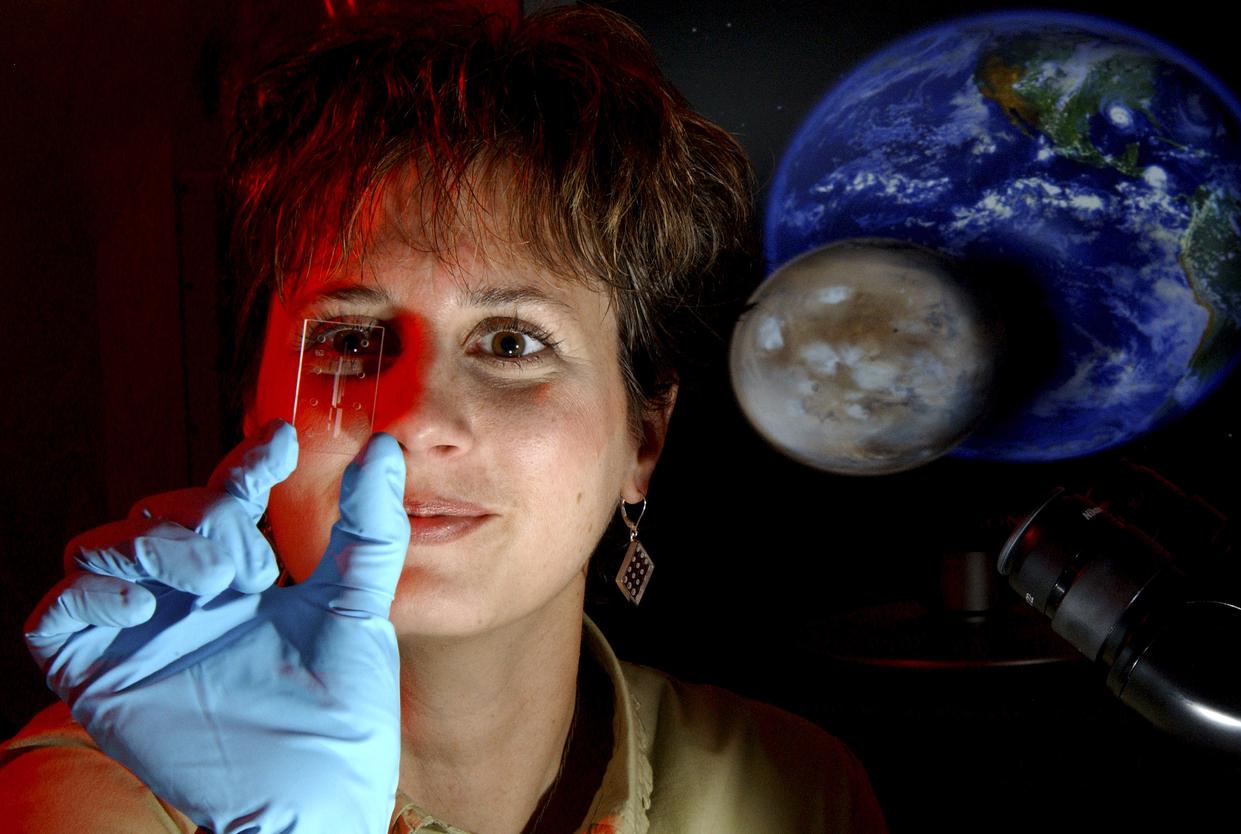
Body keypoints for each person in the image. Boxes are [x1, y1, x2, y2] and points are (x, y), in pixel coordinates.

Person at [0, 6, 886, 833]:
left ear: (642, 436)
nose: (413, 422)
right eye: (350, 338)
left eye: (510, 342)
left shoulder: (794, 792)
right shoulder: (85, 797)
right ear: (255, 402)